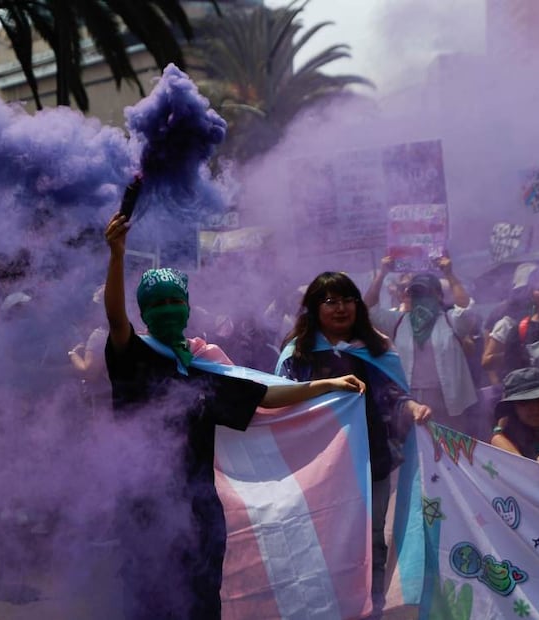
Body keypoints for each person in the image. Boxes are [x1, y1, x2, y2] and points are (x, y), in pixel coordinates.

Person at [103, 213, 364, 619]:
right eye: (158, 304)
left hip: (199, 506)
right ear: (143, 311)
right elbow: (115, 318)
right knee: (149, 599)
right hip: (144, 506)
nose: (168, 309)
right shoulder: (132, 355)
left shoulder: (206, 362)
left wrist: (324, 386)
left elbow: (263, 394)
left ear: (188, 306)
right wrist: (117, 255)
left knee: (201, 598)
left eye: (175, 301)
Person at [277, 269, 432, 616]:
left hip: (370, 462)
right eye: (331, 301)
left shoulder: (377, 350)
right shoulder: (296, 355)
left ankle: (370, 607)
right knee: (323, 541)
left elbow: (392, 396)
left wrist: (413, 407)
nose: (341, 308)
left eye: (348, 299)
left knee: (371, 539)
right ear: (315, 308)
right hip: (316, 468)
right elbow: (282, 405)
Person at [364, 255, 479, 435]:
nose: (421, 298)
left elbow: (466, 308)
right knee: (416, 448)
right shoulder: (399, 321)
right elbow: (369, 310)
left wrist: (449, 273)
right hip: (411, 399)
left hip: (449, 398)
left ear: (439, 295)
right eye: (416, 293)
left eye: (426, 293)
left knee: (452, 449)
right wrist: (382, 273)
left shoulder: (451, 320)